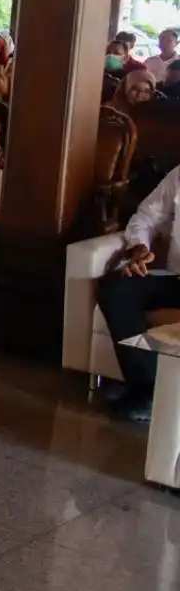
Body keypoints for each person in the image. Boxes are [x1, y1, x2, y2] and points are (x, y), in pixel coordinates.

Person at [97, 163, 180, 422]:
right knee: (116, 289)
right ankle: (148, 388)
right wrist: (139, 249)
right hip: (176, 279)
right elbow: (144, 217)